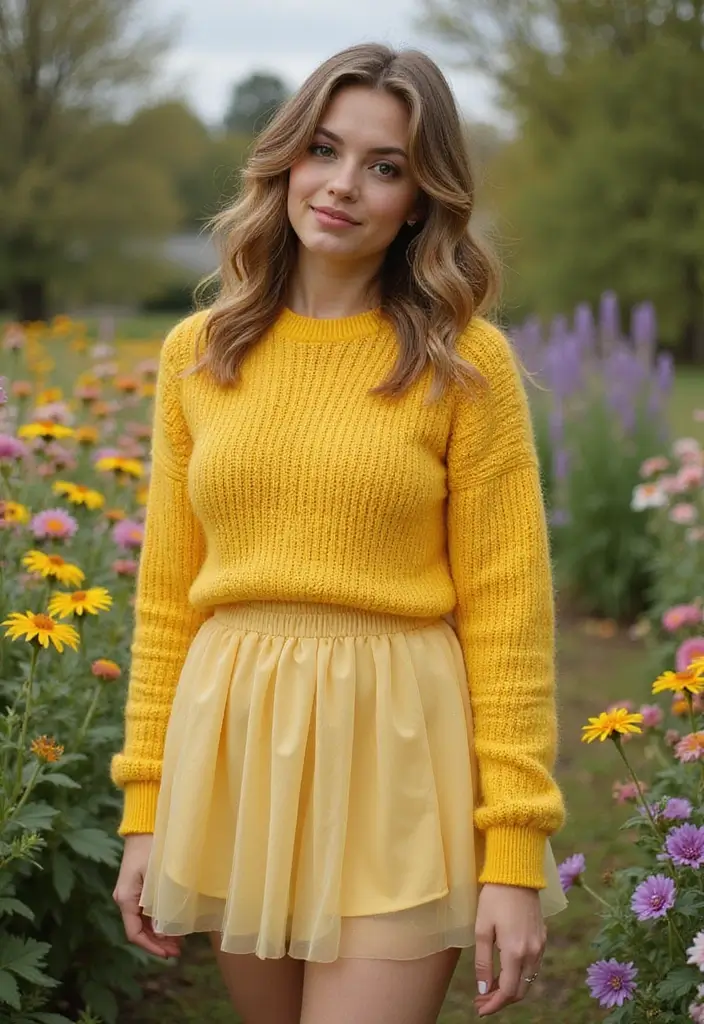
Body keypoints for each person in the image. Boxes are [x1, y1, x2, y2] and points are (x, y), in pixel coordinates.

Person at [111, 42, 568, 1024]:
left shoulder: (462, 365)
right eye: (323, 149)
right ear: (284, 160)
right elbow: (163, 599)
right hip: (235, 749)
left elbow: (508, 615)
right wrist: (145, 812)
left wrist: (514, 852)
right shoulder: (199, 353)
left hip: (399, 752)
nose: (342, 185)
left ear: (420, 198)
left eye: (385, 165)